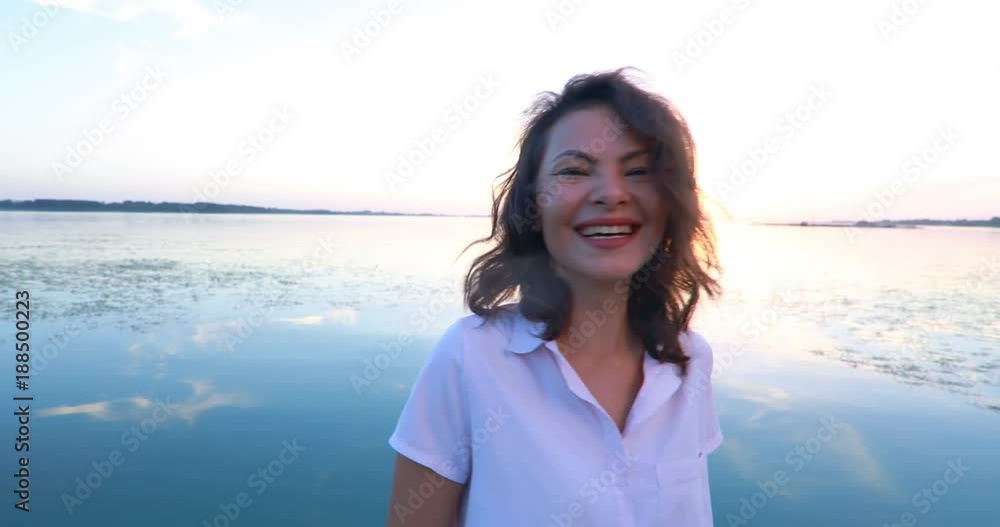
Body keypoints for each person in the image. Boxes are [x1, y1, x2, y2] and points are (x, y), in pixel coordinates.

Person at [384, 68, 724, 527]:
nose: (611, 194)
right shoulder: (472, 357)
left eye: (639, 170)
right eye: (574, 171)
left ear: (671, 202)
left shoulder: (690, 360)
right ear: (533, 206)